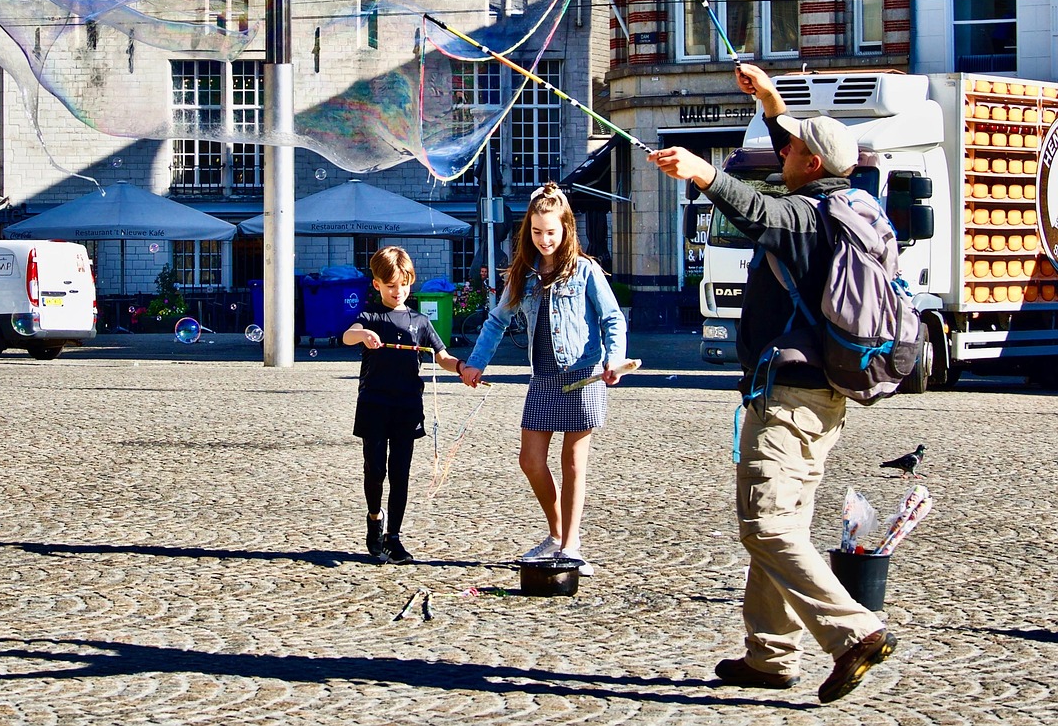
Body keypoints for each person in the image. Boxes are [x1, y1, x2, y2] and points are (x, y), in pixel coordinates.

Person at [648, 63, 898, 704]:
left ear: (812, 165)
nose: (782, 149)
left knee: (765, 527)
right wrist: (769, 101)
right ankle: (770, 655)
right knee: (780, 519)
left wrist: (702, 173)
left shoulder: (803, 218)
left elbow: (757, 209)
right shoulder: (851, 207)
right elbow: (795, 150)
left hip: (789, 399)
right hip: (823, 397)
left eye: (791, 146)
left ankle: (854, 632)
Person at [459, 182, 627, 576]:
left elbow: (612, 319)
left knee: (573, 463)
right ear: (528, 232)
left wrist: (614, 360)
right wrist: (476, 362)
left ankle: (572, 545)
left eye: (551, 231)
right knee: (530, 460)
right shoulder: (524, 274)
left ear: (566, 228)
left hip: (583, 374)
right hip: (545, 377)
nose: (545, 239)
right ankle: (556, 535)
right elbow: (497, 320)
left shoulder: (584, 270)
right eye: (537, 232)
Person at [342, 246, 463, 564]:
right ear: (377, 284)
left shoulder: (419, 321)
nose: (399, 291)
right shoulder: (370, 317)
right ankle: (374, 519)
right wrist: (364, 334)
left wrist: (463, 368)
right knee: (374, 469)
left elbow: (443, 356)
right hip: (374, 403)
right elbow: (348, 336)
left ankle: (393, 537)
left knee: (400, 472)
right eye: (392, 285)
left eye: (404, 285)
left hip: (407, 406)